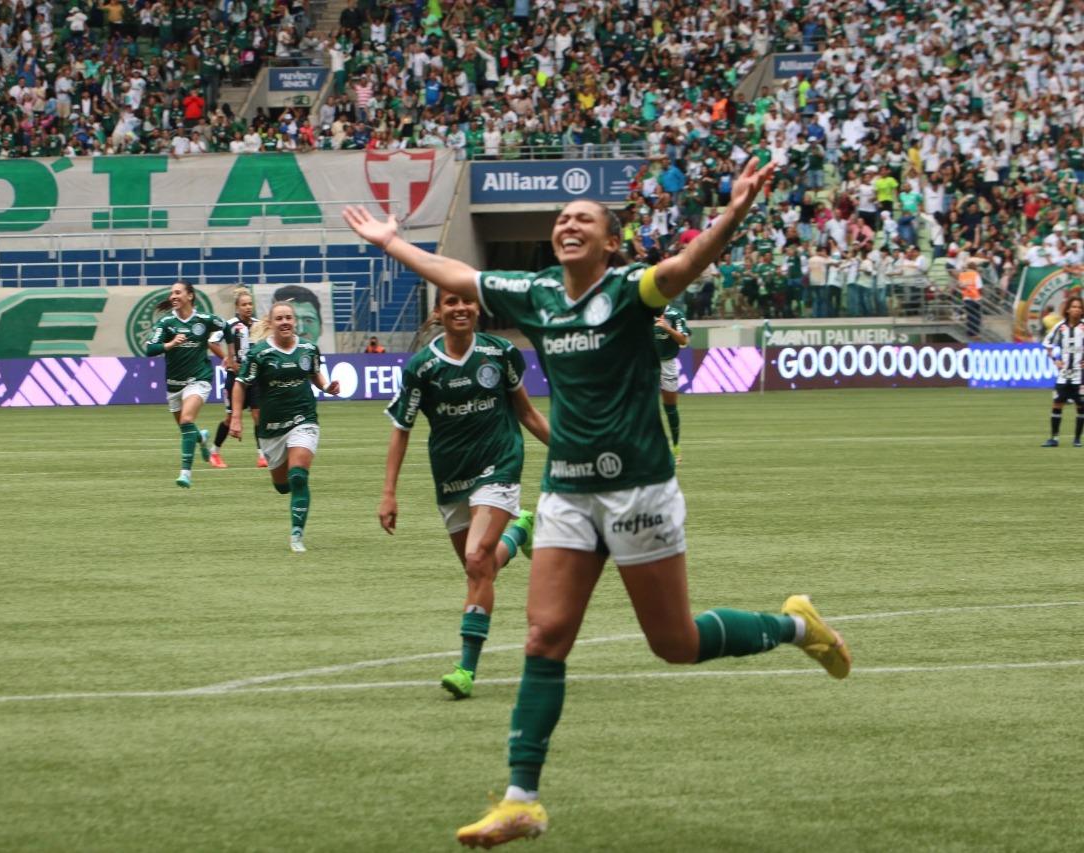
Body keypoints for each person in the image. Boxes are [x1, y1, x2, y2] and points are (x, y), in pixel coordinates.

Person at [343, 158, 851, 849]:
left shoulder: (631, 290)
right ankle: (522, 798)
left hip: (640, 487)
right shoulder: (536, 292)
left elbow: (684, 266)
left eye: (584, 217)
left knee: (675, 642)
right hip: (568, 493)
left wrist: (733, 212)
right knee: (543, 636)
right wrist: (391, 243)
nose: (567, 223)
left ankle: (797, 627)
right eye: (561, 218)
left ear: (612, 241)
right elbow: (460, 278)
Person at [381, 289, 551, 700]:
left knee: (477, 561)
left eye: (468, 301)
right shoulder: (422, 367)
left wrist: (571, 451)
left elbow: (525, 412)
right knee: (481, 568)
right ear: (439, 311)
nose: (461, 308)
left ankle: (466, 669)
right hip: (451, 476)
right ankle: (520, 531)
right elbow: (401, 430)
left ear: (479, 308)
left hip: (500, 464)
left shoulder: (501, 353)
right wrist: (388, 492)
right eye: (451, 302)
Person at [230, 301, 340, 553]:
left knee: (299, 476)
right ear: (271, 323)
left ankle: (296, 535)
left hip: (304, 420)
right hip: (271, 428)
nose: (285, 322)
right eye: (279, 318)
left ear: (295, 321)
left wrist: (326, 388)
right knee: (282, 486)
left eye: (288, 317)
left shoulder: (308, 349)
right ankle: (292, 494)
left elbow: (314, 375)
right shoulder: (259, 353)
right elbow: (240, 384)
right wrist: (236, 417)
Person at [144, 281, 226, 488]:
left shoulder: (204, 320)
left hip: (199, 379)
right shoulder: (166, 323)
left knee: (187, 419)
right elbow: (150, 349)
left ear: (190, 296)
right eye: (171, 293)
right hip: (174, 384)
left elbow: (228, 328)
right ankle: (202, 438)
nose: (173, 296)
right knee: (186, 427)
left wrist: (230, 357)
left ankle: (185, 473)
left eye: (178, 292)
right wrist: (170, 344)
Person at [211, 287, 267, 469]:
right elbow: (211, 341)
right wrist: (227, 358)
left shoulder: (258, 325)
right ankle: (215, 452)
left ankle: (262, 455)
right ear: (237, 307)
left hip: (254, 378)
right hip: (235, 378)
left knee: (258, 415)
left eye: (250, 304)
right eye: (244, 304)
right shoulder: (230, 325)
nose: (248, 307)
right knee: (230, 419)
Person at [1042, 296, 1084, 448]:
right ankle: (1054, 438)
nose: (1076, 309)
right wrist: (1055, 359)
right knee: (1057, 403)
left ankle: (1077, 439)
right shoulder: (1060, 328)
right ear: (1067, 309)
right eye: (1074, 306)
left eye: (1079, 307)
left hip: (1080, 376)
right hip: (1064, 375)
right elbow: (1047, 344)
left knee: (1081, 405)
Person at [652, 306, 689, 463]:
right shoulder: (643, 312)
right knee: (645, 408)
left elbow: (683, 341)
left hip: (668, 364)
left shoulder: (675, 314)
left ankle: (675, 448)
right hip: (647, 363)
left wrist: (667, 328)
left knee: (670, 409)